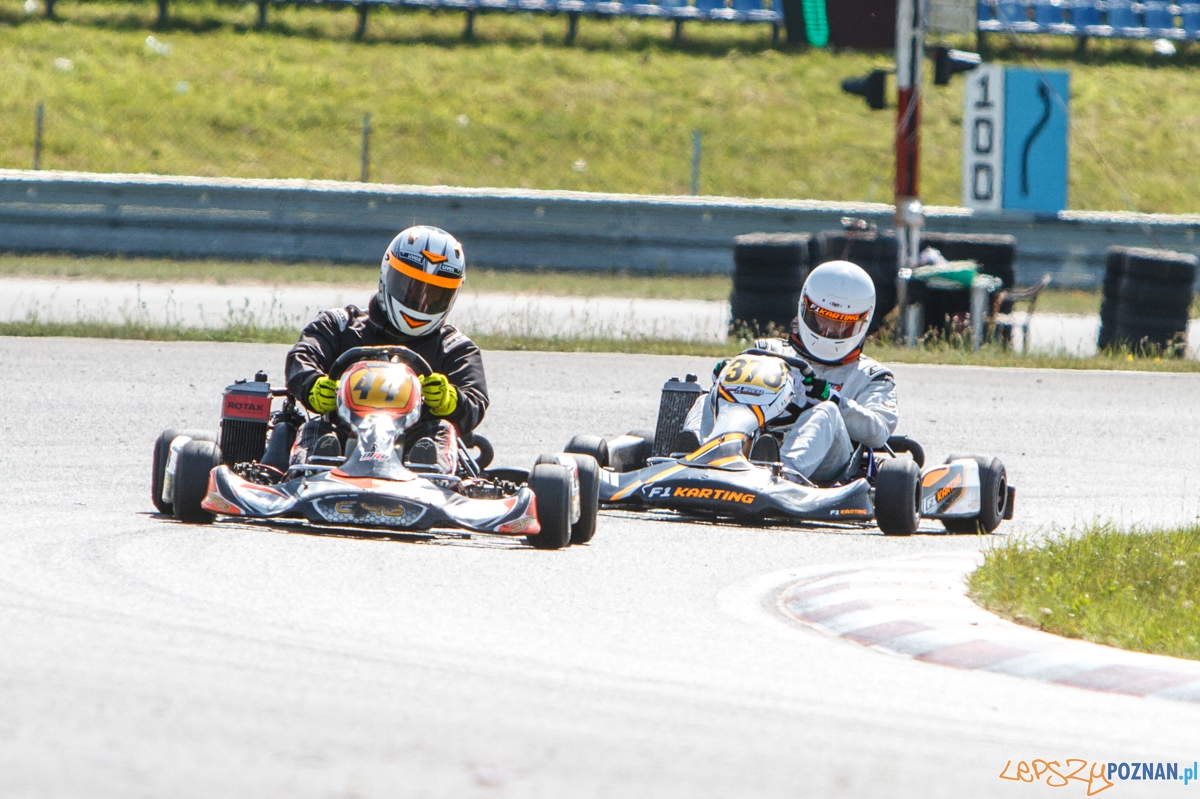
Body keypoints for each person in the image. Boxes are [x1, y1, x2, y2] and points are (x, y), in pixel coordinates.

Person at [285, 225, 488, 474]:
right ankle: (310, 471)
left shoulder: (455, 347)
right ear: (386, 274)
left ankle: (433, 478)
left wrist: (451, 400)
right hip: (340, 435)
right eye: (409, 287)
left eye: (434, 294)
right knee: (315, 431)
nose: (420, 301)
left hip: (416, 444)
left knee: (439, 434)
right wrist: (312, 385)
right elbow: (302, 356)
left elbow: (475, 400)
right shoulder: (339, 325)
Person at [687, 260, 898, 481]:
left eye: (842, 324)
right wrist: (725, 378)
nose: (827, 330)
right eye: (822, 317)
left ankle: (783, 476)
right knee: (707, 399)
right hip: (754, 437)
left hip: (827, 463)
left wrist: (834, 400)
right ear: (805, 308)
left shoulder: (871, 375)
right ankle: (696, 456)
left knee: (826, 412)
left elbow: (879, 432)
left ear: (862, 323)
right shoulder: (767, 350)